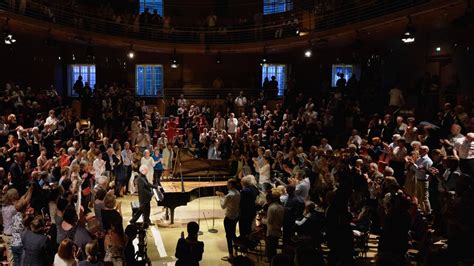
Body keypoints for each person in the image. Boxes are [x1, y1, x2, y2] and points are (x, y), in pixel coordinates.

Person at [216, 178, 240, 262]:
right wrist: (224, 196)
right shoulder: (238, 193)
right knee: (233, 234)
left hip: (229, 217)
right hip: (236, 216)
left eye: (228, 184)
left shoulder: (230, 195)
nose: (226, 185)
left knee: (228, 236)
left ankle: (230, 255)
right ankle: (236, 251)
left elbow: (223, 206)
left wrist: (220, 197)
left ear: (231, 185)